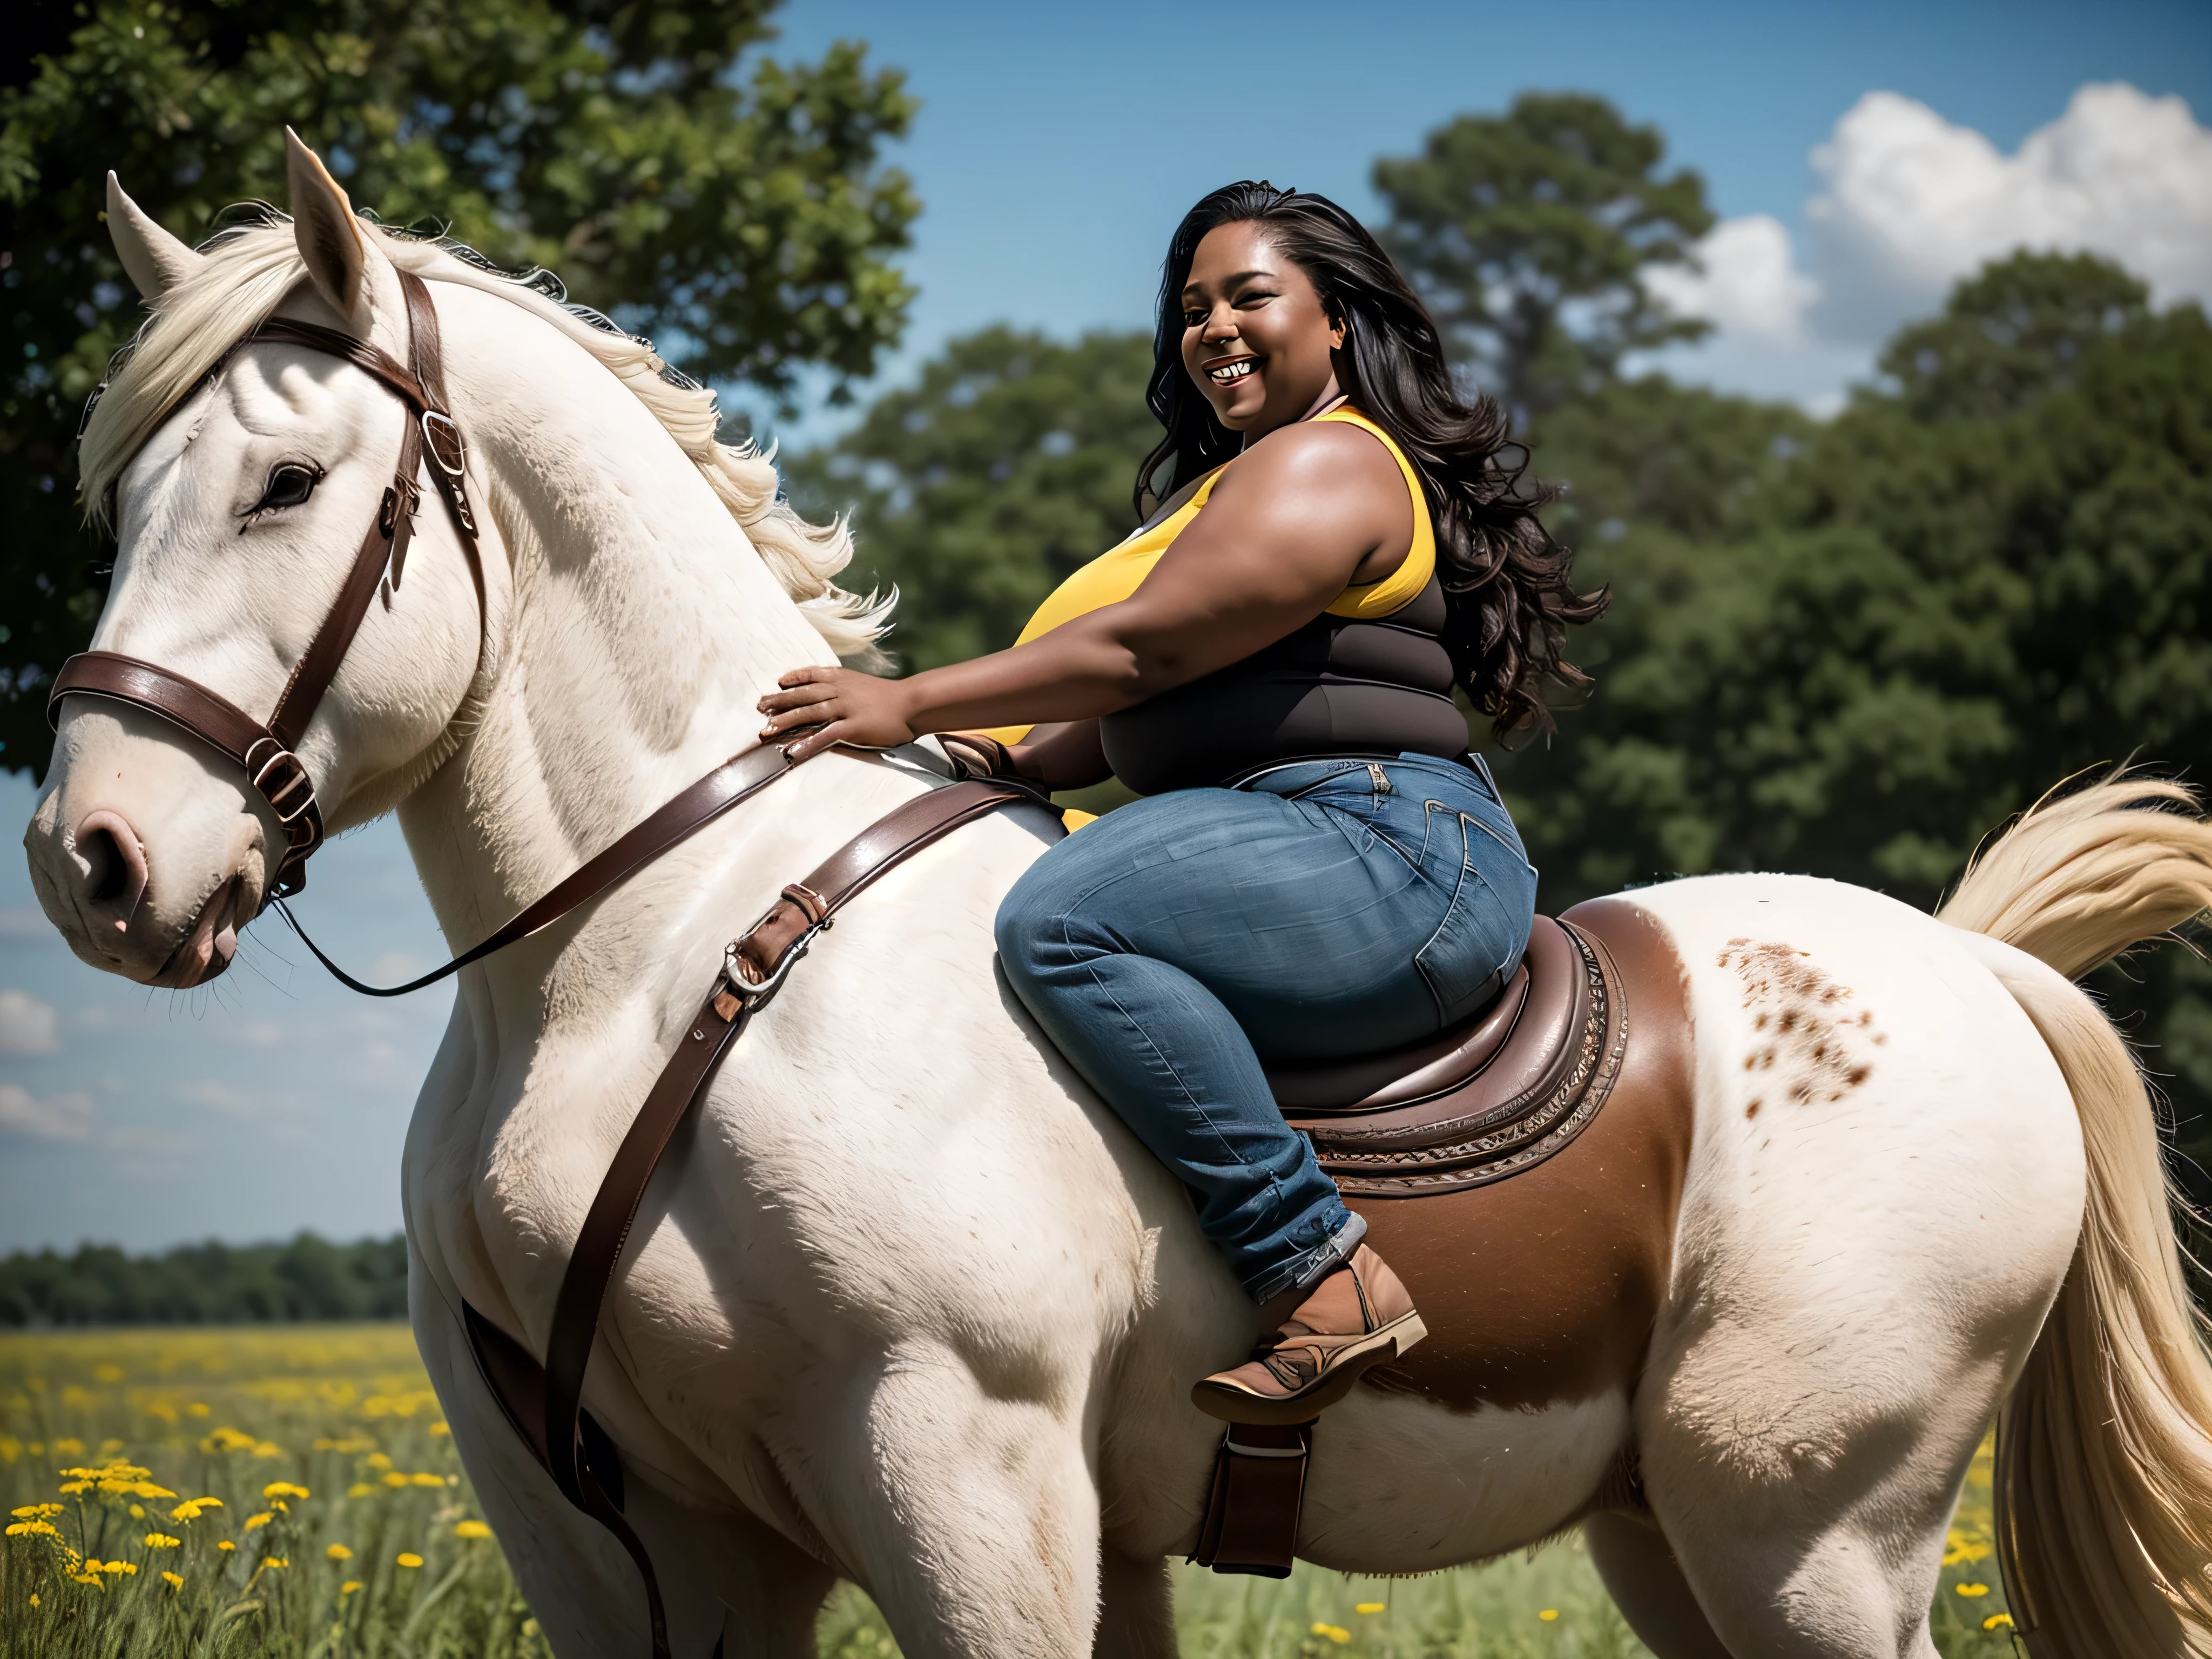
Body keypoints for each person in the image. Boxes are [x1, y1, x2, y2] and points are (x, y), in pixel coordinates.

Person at [758, 181, 1604, 1424]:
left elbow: (1144, 653)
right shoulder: (1218, 494)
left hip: (1389, 849)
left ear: (1336, 322)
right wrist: (967, 774)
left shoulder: (1330, 460)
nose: (1210, 327)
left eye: (1248, 295)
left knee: (1065, 918)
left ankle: (1313, 1264)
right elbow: (1098, 723)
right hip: (1278, 833)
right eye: (1189, 308)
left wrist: (910, 701)